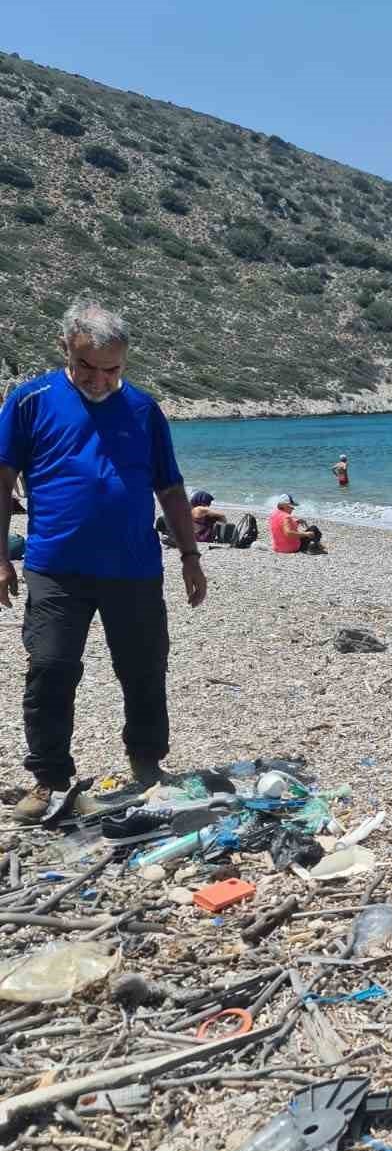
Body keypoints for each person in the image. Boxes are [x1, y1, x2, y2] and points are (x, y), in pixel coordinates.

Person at [0, 298, 207, 824]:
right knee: (49, 668)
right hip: (54, 566)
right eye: (87, 366)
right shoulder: (30, 400)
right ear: (65, 347)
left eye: (111, 368)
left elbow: (171, 486)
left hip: (134, 567)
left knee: (142, 669)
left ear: (125, 361)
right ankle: (48, 779)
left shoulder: (143, 409)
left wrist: (189, 555)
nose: (99, 378)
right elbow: (3, 483)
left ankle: (147, 763)